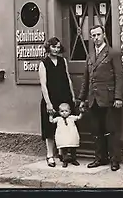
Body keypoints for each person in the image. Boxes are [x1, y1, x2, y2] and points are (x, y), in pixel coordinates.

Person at [79, 25, 123, 171]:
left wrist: (118, 97)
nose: (96, 38)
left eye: (98, 34)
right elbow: (86, 79)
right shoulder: (90, 55)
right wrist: (82, 99)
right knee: (96, 130)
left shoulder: (112, 53)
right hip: (93, 99)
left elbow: (119, 76)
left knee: (111, 130)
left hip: (109, 98)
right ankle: (100, 158)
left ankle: (114, 160)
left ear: (104, 35)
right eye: (93, 35)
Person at [38, 37, 76, 168]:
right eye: (53, 47)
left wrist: (72, 96)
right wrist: (48, 103)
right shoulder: (44, 63)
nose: (56, 49)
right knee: (50, 129)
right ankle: (50, 155)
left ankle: (62, 153)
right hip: (51, 99)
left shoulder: (62, 61)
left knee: (64, 127)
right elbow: (43, 85)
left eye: (58, 47)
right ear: (48, 48)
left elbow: (68, 78)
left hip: (64, 98)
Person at [49, 102, 83, 167]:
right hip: (63, 136)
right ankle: (65, 160)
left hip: (71, 135)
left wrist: (81, 113)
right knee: (64, 149)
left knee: (73, 148)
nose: (64, 113)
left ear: (69, 111)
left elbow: (79, 118)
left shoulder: (72, 118)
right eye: (62, 111)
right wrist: (51, 115)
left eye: (66, 111)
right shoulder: (58, 119)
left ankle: (73, 159)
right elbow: (52, 121)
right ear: (59, 112)